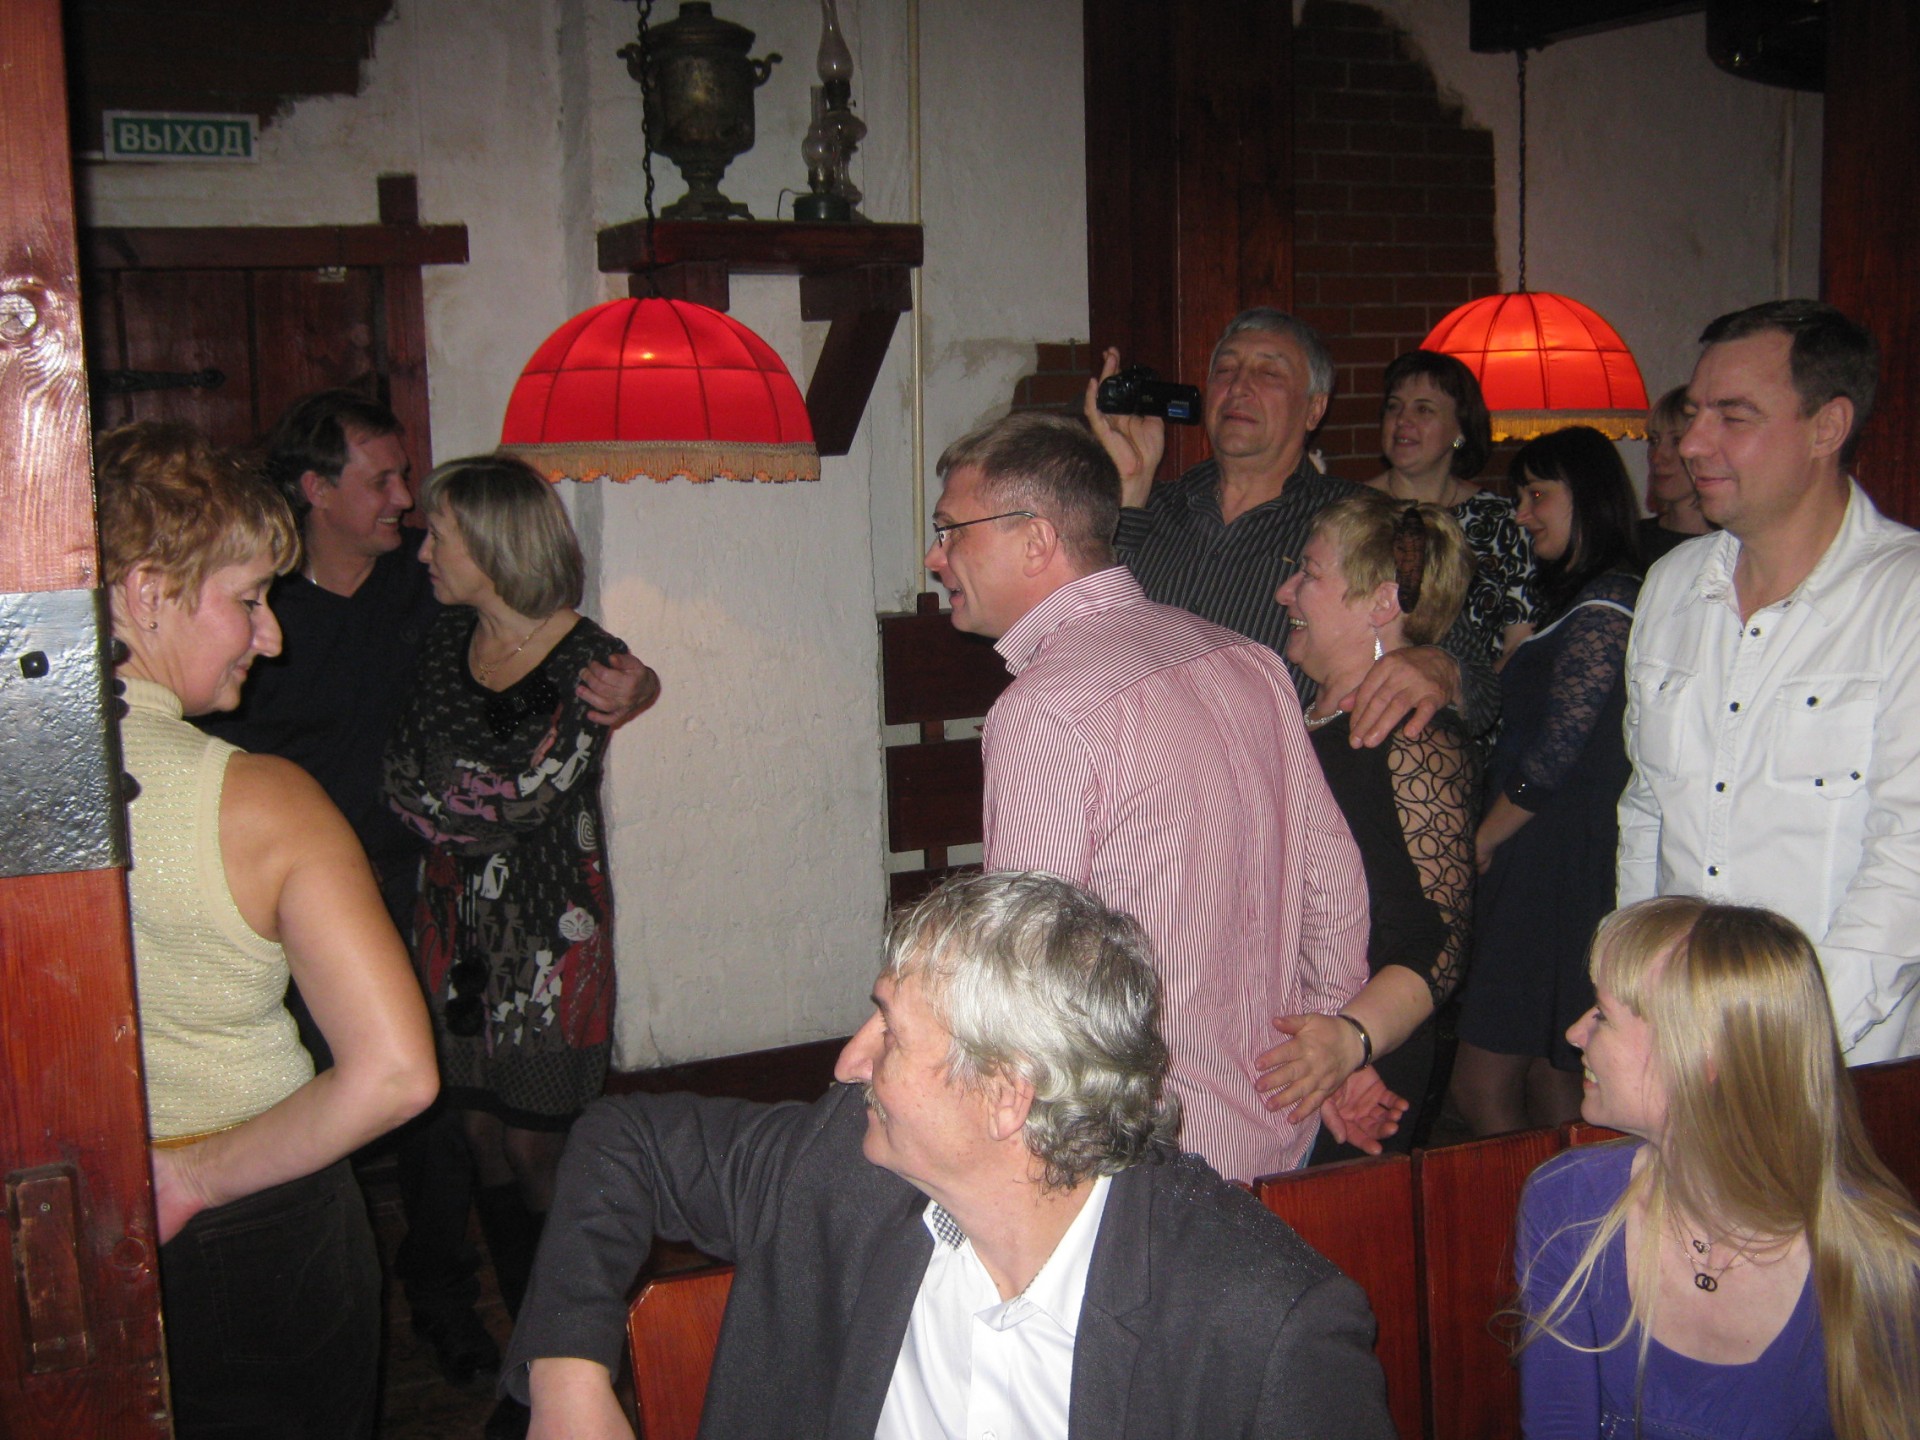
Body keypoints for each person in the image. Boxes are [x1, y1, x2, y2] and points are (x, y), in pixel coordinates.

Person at [506, 871, 1396, 1440]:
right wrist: (568, 1378)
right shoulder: (845, 1166)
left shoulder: (1264, 1329)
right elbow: (623, 1144)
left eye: (889, 1033)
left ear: (1007, 1096)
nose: (849, 1063)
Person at [200, 389, 657, 1383]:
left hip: (496, 921)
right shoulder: (269, 608)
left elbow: (516, 774)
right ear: (316, 491)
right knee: (380, 1111)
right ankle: (352, 1323)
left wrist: (641, 686)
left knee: (474, 1137)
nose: (406, 510)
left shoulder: (438, 601)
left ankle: (521, 1346)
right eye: (383, 482)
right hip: (332, 904)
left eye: (417, 494)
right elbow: (392, 773)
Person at [99, 421, 439, 1436]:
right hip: (252, 1229)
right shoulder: (261, 800)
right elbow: (396, 1075)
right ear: (148, 592)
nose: (272, 636)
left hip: (63, 1215)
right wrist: (188, 1175)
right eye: (248, 600)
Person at [926, 412, 1372, 1180]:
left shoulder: (1045, 711)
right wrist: (1330, 1040)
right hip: (1281, 1122)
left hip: (1150, 1154)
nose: (936, 558)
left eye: (949, 531)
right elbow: (1331, 877)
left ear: (1035, 541)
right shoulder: (1245, 655)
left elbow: (1032, 973)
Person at [1618, 300, 1920, 1063]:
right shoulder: (1671, 585)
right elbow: (1647, 814)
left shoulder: (1904, 596)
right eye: (1694, 413)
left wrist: (1783, 1050)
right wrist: (1635, 1000)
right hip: (1679, 1043)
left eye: (1733, 416)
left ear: (1827, 427)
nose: (1693, 443)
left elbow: (1908, 864)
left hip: (1839, 1061)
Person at [382, 454, 629, 1349]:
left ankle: (577, 1352)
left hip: (549, 936)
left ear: (495, 543)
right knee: (477, 1134)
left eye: (440, 537)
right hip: (453, 928)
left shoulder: (589, 658)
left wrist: (452, 799)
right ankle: (527, 1350)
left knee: (537, 1149)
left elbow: (532, 795)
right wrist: (465, 800)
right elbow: (399, 779)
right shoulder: (445, 637)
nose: (423, 554)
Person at [1515, 897, 1920, 1440]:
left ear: (1702, 1058)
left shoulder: (1877, 1259)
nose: (1574, 1033)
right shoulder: (1568, 1200)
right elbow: (1558, 1424)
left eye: (1603, 1015)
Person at [1085, 308, 1500, 747]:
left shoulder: (1357, 522)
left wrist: (1442, 669)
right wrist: (1128, 486)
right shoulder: (1151, 506)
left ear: (1314, 409)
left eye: (1268, 373)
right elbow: (1084, 642)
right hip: (1134, 771)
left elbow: (1482, 690)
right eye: (1225, 370)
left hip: (1282, 780)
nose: (1239, 387)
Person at [1259, 494, 1477, 1158]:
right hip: (1298, 1047)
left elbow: (1437, 942)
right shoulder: (1303, 717)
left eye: (1309, 573)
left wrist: (1349, 1040)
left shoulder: (1414, 738)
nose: (1284, 592)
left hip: (1365, 1065)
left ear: (1382, 602)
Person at [1453, 427, 1642, 1135]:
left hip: (1551, 856)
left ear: (1587, 496)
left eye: (1538, 495)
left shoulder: (1608, 600)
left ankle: (1540, 1201)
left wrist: (1482, 839)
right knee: (1551, 1076)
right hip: (1540, 850)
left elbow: (1560, 750)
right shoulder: (1578, 599)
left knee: (1486, 1082)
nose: (1522, 514)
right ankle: (1575, 1200)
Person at [1365, 348, 1535, 663]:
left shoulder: (1502, 521)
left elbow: (1519, 645)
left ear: (1460, 429)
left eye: (1423, 409)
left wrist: (1467, 688)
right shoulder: (1353, 511)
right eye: (1394, 406)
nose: (1402, 420)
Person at [1638, 383, 1713, 565]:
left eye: (1676, 441)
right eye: (1654, 440)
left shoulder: (1732, 547)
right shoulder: (1630, 542)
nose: (1657, 457)